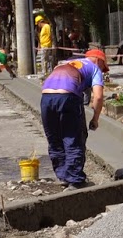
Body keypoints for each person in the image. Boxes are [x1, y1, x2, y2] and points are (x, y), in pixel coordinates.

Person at [38, 47, 105, 188]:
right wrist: (95, 119)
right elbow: (98, 97)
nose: (102, 70)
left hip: (46, 97)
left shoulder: (65, 63)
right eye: (103, 66)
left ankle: (63, 176)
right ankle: (75, 181)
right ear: (98, 60)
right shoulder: (95, 68)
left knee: (55, 138)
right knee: (73, 137)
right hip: (68, 97)